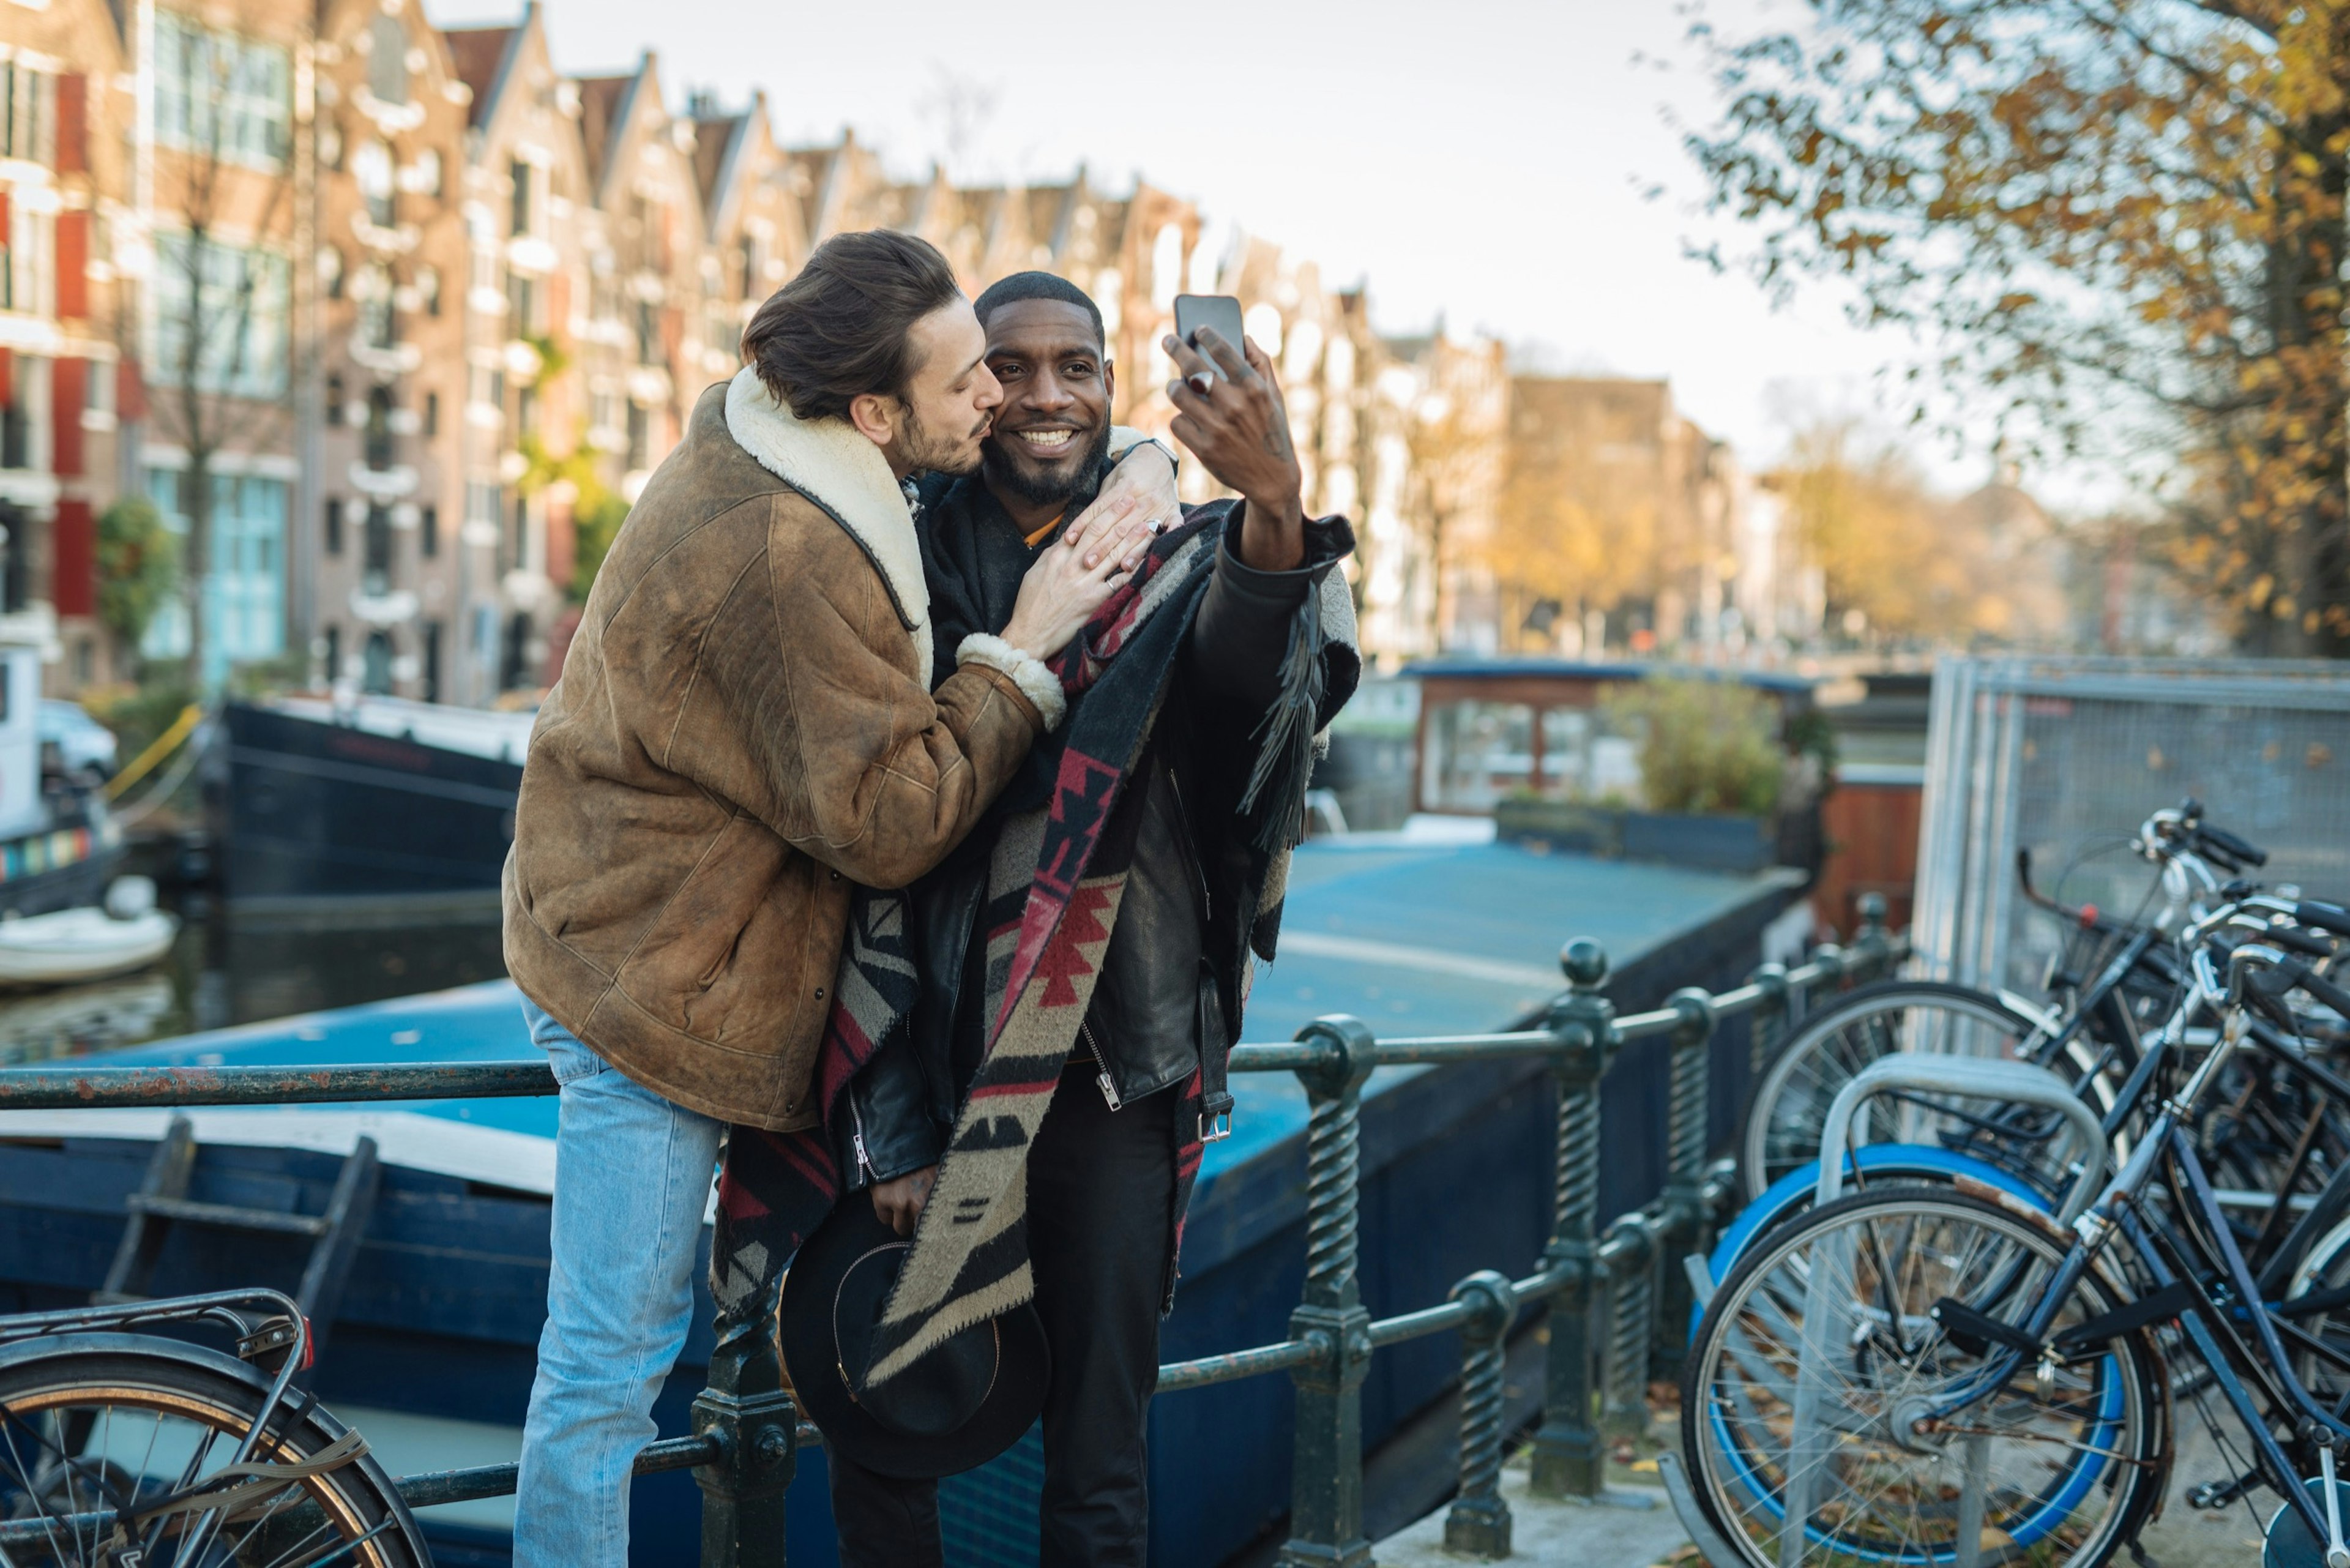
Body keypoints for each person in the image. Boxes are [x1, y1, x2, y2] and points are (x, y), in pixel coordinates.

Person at [501, 232, 1177, 1568]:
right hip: (653, 987)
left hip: (649, 939)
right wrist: (1026, 646)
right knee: (604, 1376)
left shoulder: (794, 458)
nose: (998, 398)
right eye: (966, 379)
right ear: (875, 414)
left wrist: (1148, 457)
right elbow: (890, 821)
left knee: (612, 1369)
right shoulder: (785, 552)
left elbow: (1075, 420)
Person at [714, 271, 1360, 1566]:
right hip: (928, 1051)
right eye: (1011, 366)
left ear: (1117, 387)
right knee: (887, 1433)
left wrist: (1275, 501)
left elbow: (1257, 691)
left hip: (1115, 1063)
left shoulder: (1183, 551)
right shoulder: (890, 545)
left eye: (1081, 366)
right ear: (966, 384)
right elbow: (857, 847)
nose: (1047, 395)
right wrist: (889, 1124)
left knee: (1099, 1459)